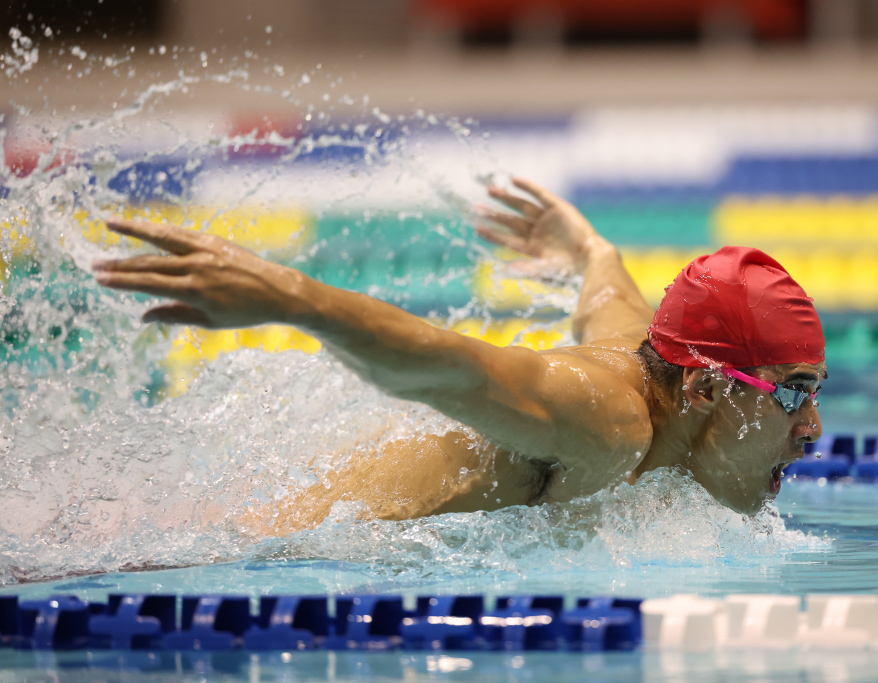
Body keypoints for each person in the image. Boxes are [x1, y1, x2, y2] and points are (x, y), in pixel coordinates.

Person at [92, 178, 826, 536]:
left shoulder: (662, 359)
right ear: (703, 390)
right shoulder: (611, 419)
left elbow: (615, 299)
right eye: (793, 392)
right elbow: (448, 366)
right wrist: (289, 296)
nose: (813, 427)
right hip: (260, 549)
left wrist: (589, 250)